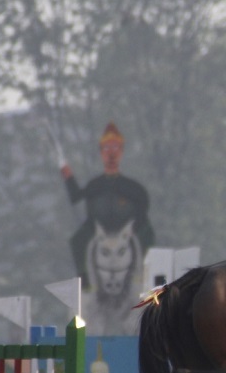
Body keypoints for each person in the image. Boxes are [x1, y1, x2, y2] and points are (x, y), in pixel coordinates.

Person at [62, 122, 156, 289]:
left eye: (115, 148)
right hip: (97, 225)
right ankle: (85, 278)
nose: (111, 154)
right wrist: (68, 176)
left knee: (148, 233)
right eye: (106, 148)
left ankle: (146, 273)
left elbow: (143, 204)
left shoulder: (132, 187)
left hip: (128, 226)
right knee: (77, 239)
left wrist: (134, 225)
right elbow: (76, 197)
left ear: (121, 152)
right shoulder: (94, 185)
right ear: (101, 153)